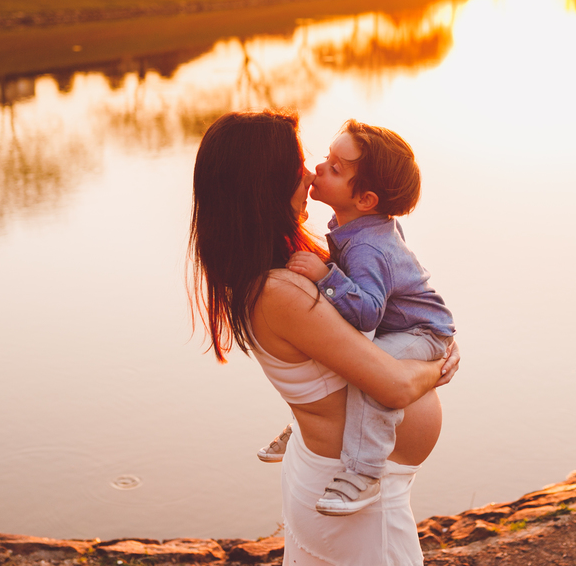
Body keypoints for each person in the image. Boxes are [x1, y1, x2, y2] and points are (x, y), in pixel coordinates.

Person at [189, 109, 459, 566]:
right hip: (354, 495)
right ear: (267, 185)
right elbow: (393, 386)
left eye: (327, 166)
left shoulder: (283, 267)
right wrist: (439, 364)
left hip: (335, 480)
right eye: (301, 167)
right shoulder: (282, 290)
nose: (312, 173)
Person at [265, 120, 455, 517]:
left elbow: (367, 314)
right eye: (327, 158)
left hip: (420, 331)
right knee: (344, 359)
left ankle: (363, 473)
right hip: (404, 324)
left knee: (375, 376)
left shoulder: (368, 246)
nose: (319, 167)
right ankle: (303, 428)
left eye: (335, 169)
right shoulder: (355, 226)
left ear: (366, 200)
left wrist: (326, 276)